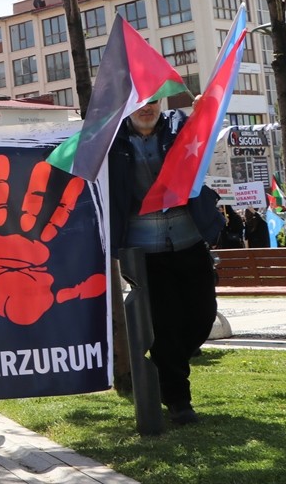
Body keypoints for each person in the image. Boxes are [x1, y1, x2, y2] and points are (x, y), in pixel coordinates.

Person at [107, 100, 221, 426]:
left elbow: (205, 125)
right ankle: (178, 400)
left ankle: (163, 369)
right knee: (166, 325)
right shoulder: (111, 141)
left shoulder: (178, 127)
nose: (148, 108)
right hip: (145, 252)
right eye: (140, 102)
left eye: (154, 101)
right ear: (126, 105)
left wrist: (206, 107)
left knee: (202, 317)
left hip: (189, 240)